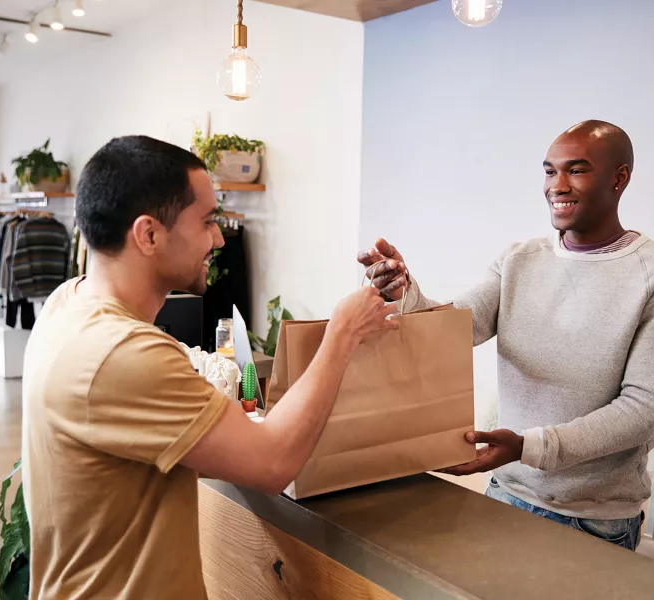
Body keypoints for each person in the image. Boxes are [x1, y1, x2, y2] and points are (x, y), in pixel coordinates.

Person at [21, 135, 398, 599]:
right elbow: (273, 461)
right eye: (207, 221)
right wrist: (342, 333)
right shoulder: (121, 352)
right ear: (149, 234)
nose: (219, 238)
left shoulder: (69, 302)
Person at [358, 120, 654, 551]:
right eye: (549, 171)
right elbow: (456, 328)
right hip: (504, 494)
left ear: (620, 178)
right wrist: (405, 293)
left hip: (590, 521)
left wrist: (529, 447)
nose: (557, 185)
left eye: (576, 170)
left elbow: (642, 410)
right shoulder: (519, 259)